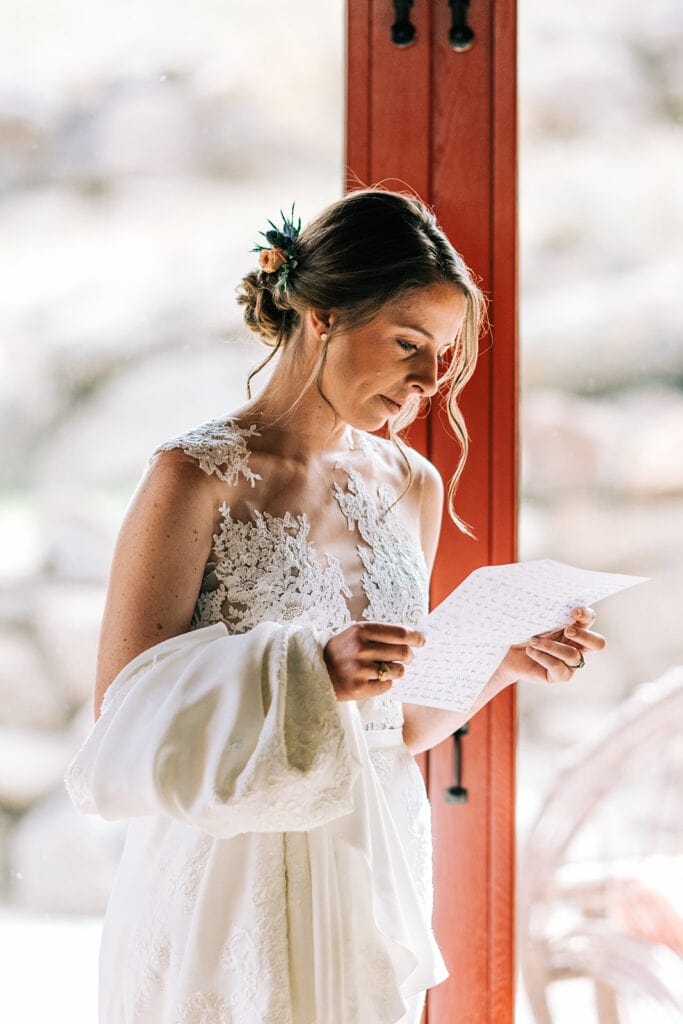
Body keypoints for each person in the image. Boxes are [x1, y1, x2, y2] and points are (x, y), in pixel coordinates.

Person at [64, 187, 606, 1024]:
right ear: (320, 313)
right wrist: (309, 673)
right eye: (406, 344)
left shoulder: (409, 485)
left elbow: (397, 724)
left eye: (445, 355)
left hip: (370, 857)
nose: (428, 380)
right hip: (227, 881)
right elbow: (122, 717)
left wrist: (500, 661)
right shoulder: (192, 476)